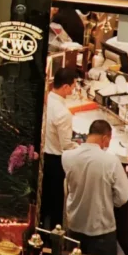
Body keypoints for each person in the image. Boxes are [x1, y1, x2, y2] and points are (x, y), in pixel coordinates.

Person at [62, 119, 128, 255]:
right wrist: (111, 201)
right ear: (105, 138)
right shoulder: (111, 161)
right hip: (102, 230)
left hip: (75, 225)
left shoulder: (67, 157)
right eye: (108, 141)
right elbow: (123, 196)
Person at [41, 67, 79, 230]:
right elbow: (66, 145)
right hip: (56, 161)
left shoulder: (48, 100)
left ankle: (42, 231)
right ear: (65, 87)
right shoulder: (63, 113)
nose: (74, 89)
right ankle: (54, 238)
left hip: (45, 156)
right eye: (73, 85)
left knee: (45, 201)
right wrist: (80, 145)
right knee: (56, 203)